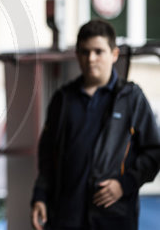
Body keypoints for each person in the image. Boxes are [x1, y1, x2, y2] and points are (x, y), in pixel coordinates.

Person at [30, 19, 160, 230]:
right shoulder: (63, 100)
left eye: (98, 51)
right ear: (77, 55)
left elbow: (154, 153)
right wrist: (40, 196)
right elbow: (47, 156)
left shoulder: (131, 98)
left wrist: (123, 184)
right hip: (66, 217)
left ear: (114, 54)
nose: (91, 59)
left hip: (113, 217)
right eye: (84, 52)